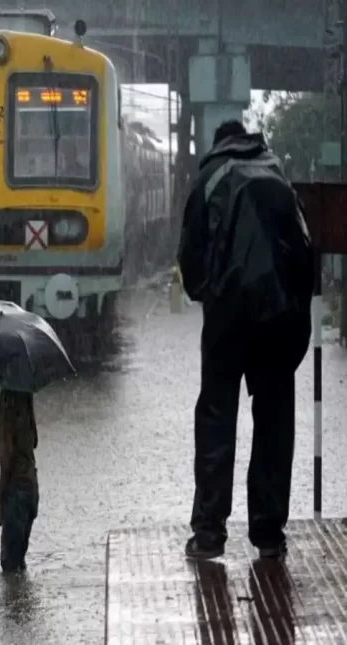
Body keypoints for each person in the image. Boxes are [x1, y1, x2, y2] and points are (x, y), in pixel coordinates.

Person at [178, 120, 313, 561]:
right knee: (274, 422)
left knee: (217, 416)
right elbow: (305, 251)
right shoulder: (277, 173)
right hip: (279, 314)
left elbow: (190, 258)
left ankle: (209, 535)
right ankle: (269, 536)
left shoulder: (209, 178)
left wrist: (210, 294)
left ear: (218, 144)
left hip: (228, 316)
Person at [0, 389, 39, 573]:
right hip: (31, 487)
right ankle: (23, 602)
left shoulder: (7, 398)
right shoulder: (26, 396)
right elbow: (32, 441)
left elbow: (7, 460)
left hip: (16, 490)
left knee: (9, 567)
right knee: (19, 566)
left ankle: (14, 602)